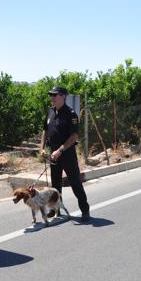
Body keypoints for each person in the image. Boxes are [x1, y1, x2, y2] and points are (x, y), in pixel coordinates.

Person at [39, 86, 90, 222]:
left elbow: (73, 136)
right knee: (55, 185)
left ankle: (85, 210)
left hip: (66, 154)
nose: (52, 98)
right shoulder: (50, 112)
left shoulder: (71, 114)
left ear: (63, 96)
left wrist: (60, 150)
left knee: (75, 183)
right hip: (53, 154)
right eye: (51, 95)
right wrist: (42, 148)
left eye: (55, 95)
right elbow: (45, 130)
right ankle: (56, 209)